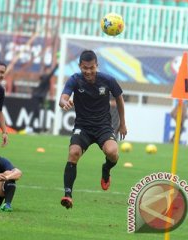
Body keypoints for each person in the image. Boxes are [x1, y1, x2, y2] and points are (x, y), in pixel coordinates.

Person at [59, 50, 127, 209]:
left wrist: (122, 123)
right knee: (73, 152)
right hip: (83, 127)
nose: (88, 71)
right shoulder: (75, 80)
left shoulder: (108, 80)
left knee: (112, 153)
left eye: (91, 67)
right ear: (79, 66)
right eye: (84, 68)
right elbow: (63, 98)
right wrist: (65, 102)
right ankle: (68, 194)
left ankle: (106, 170)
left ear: (97, 65)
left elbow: (119, 99)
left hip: (103, 126)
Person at [29, 63, 58, 133]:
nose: (49, 71)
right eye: (48, 70)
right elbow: (50, 74)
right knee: (36, 111)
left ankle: (35, 128)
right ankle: (31, 127)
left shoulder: (45, 78)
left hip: (40, 97)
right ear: (46, 70)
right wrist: (57, 66)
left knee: (37, 112)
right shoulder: (45, 77)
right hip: (36, 96)